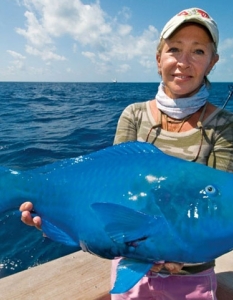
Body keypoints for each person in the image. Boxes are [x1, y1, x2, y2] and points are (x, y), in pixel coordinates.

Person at [20, 7, 233, 300]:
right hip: (131, 268)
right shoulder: (133, 115)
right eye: (174, 49)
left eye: (198, 51)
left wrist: (177, 254)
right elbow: (108, 189)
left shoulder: (224, 126)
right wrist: (54, 215)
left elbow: (221, 203)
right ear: (159, 59)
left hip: (194, 278)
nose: (184, 62)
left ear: (212, 63)